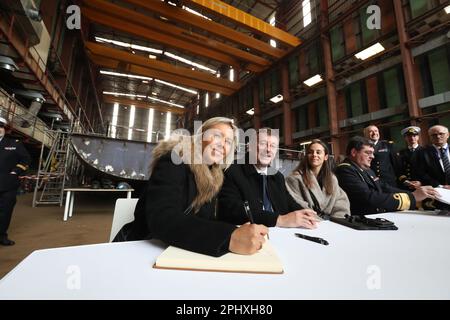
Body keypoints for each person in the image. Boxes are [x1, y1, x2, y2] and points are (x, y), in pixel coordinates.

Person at [114, 117, 268, 257]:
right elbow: (162, 218)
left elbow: (206, 220)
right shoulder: (174, 160)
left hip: (178, 251)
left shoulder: (214, 176)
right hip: (141, 250)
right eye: (216, 135)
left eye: (228, 141)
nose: (222, 144)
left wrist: (240, 230)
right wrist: (230, 237)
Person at [218, 128, 319, 228]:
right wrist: (279, 220)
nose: (268, 149)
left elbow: (288, 202)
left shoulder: (278, 177)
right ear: (250, 146)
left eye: (273, 146)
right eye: (263, 143)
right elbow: (231, 210)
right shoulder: (231, 170)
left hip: (281, 234)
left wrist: (305, 214)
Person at [335, 136, 438, 215]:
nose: (372, 156)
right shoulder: (344, 170)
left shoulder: (365, 169)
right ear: (353, 152)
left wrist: (414, 194)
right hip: (362, 221)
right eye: (368, 153)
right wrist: (412, 198)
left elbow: (384, 187)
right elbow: (369, 197)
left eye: (372, 153)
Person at [285, 139, 350, 218]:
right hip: (309, 223)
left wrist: (337, 221)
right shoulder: (295, 179)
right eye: (310, 152)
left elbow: (341, 201)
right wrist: (319, 220)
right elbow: (297, 204)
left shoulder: (332, 179)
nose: (314, 155)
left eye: (318, 152)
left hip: (333, 224)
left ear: (325, 157)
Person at [0, 117, 31, 246]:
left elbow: (26, 159)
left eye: (1, 127)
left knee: (5, 212)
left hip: (7, 185)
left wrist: (15, 172)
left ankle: (2, 236)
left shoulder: (14, 144)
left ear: (5, 130)